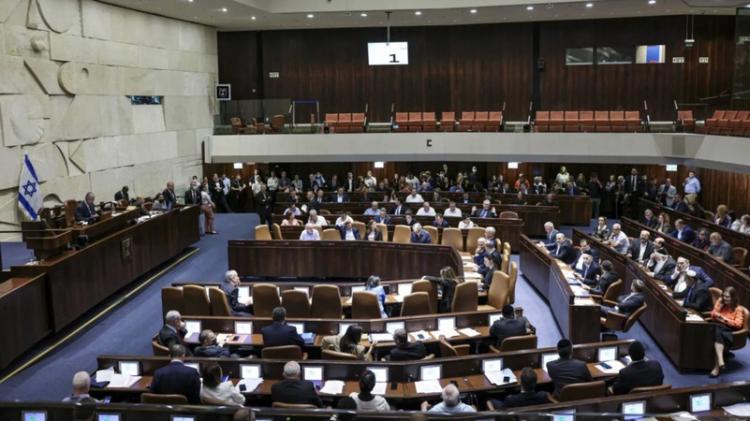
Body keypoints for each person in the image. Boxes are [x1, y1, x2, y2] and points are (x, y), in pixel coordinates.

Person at [709, 286, 746, 377]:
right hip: (718, 328)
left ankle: (716, 368)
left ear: (733, 298)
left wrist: (724, 318)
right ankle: (720, 360)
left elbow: (738, 324)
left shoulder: (738, 309)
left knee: (718, 331)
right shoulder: (721, 302)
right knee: (718, 332)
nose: (725, 298)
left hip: (728, 331)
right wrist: (719, 307)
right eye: (724, 296)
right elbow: (713, 314)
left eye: (727, 297)